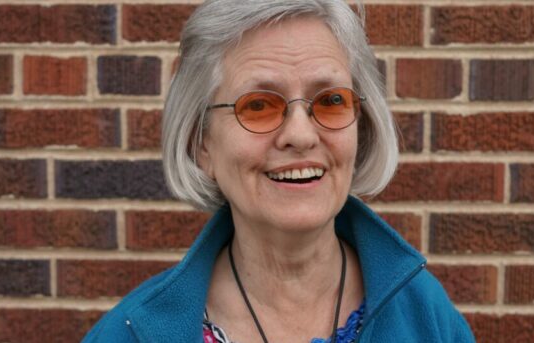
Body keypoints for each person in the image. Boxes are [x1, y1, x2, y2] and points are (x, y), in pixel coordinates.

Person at [83, 0, 475, 342]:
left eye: (331, 100)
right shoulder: (132, 333)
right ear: (201, 143)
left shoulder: (426, 315)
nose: (301, 135)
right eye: (258, 105)